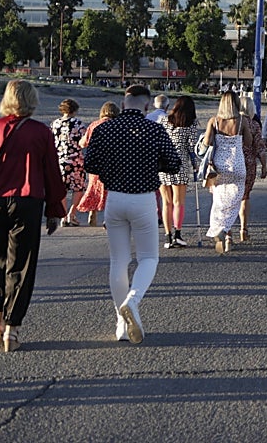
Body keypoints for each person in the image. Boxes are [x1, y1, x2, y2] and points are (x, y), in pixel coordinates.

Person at [0, 81, 66, 351]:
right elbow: (51, 173)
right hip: (29, 201)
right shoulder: (41, 132)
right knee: (22, 264)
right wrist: (54, 209)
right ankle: (12, 328)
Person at [83, 84, 180, 344]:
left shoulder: (105, 129)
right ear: (147, 106)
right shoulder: (155, 130)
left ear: (123, 103)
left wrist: (111, 166)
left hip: (114, 198)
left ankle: (121, 324)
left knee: (119, 261)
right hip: (144, 198)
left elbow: (89, 163)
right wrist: (151, 162)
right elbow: (174, 164)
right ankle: (133, 300)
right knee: (148, 257)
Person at [198, 91, 251, 254]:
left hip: (220, 166)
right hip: (237, 165)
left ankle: (221, 231)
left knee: (220, 202)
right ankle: (227, 234)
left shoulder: (214, 121)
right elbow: (249, 143)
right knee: (235, 202)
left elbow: (206, 142)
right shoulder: (242, 120)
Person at [158, 95, 200, 249]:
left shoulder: (164, 120)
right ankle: (178, 234)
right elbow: (191, 147)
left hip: (163, 164)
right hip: (180, 164)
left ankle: (168, 237)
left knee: (166, 203)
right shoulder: (191, 123)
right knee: (178, 202)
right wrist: (196, 165)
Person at [77, 101, 118, 225]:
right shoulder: (117, 125)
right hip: (112, 162)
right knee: (111, 190)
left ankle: (92, 213)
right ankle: (107, 218)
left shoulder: (94, 124)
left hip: (96, 162)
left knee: (94, 188)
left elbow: (83, 143)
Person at [50, 98, 88, 227]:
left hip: (60, 160)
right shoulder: (78, 124)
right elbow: (84, 142)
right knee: (78, 188)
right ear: (75, 110)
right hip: (75, 159)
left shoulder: (55, 123)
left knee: (62, 189)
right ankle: (72, 213)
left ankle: (64, 215)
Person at [238, 95, 267, 243]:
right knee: (245, 196)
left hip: (231, 163)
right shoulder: (254, 125)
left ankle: (228, 232)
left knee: (230, 197)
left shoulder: (232, 124)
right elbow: (260, 147)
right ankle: (244, 228)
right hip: (249, 164)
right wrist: (264, 166)